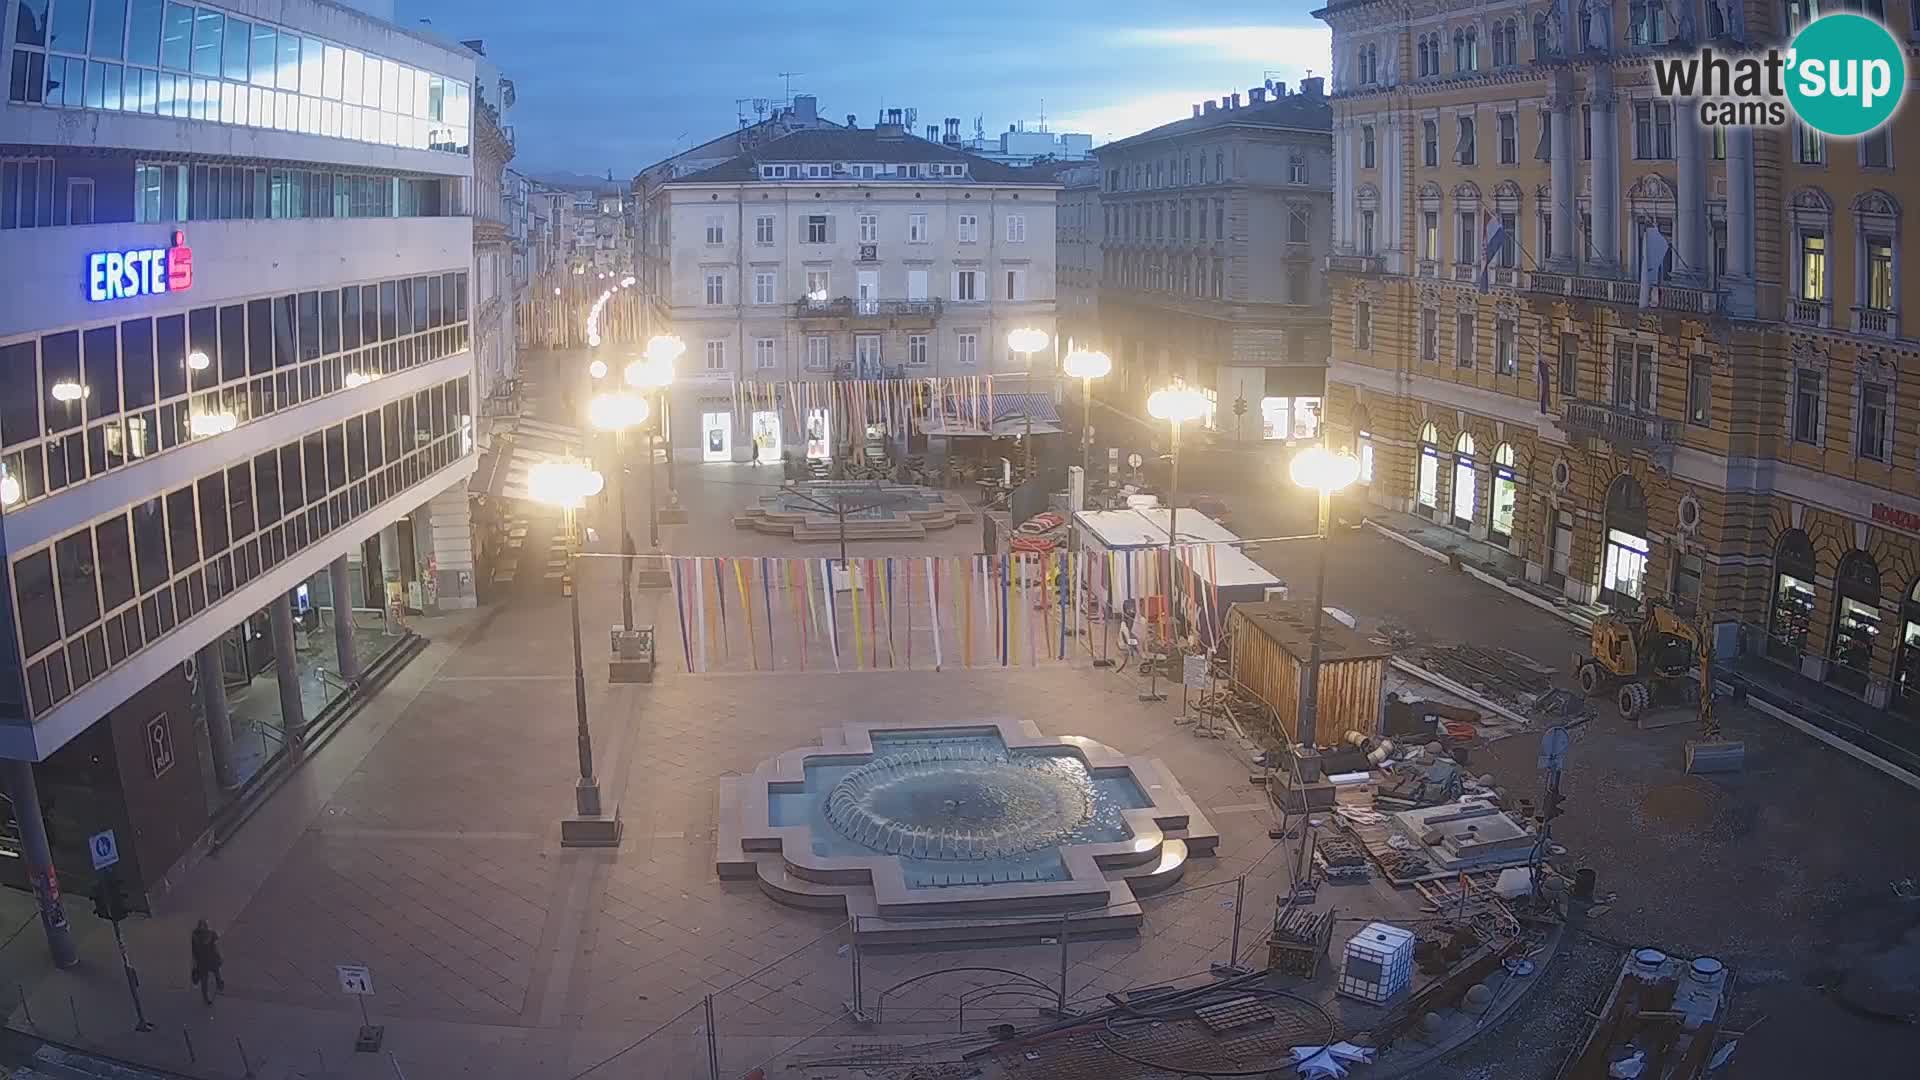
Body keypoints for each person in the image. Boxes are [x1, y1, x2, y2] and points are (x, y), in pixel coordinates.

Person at [191, 919, 224, 1004]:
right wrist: (220, 956)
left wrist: (194, 963)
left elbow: (194, 950)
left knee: (204, 981)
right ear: (207, 925)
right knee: (217, 972)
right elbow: (216, 946)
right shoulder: (212, 933)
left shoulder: (195, 935)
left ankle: (206, 998)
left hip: (201, 961)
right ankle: (219, 983)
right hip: (212, 958)